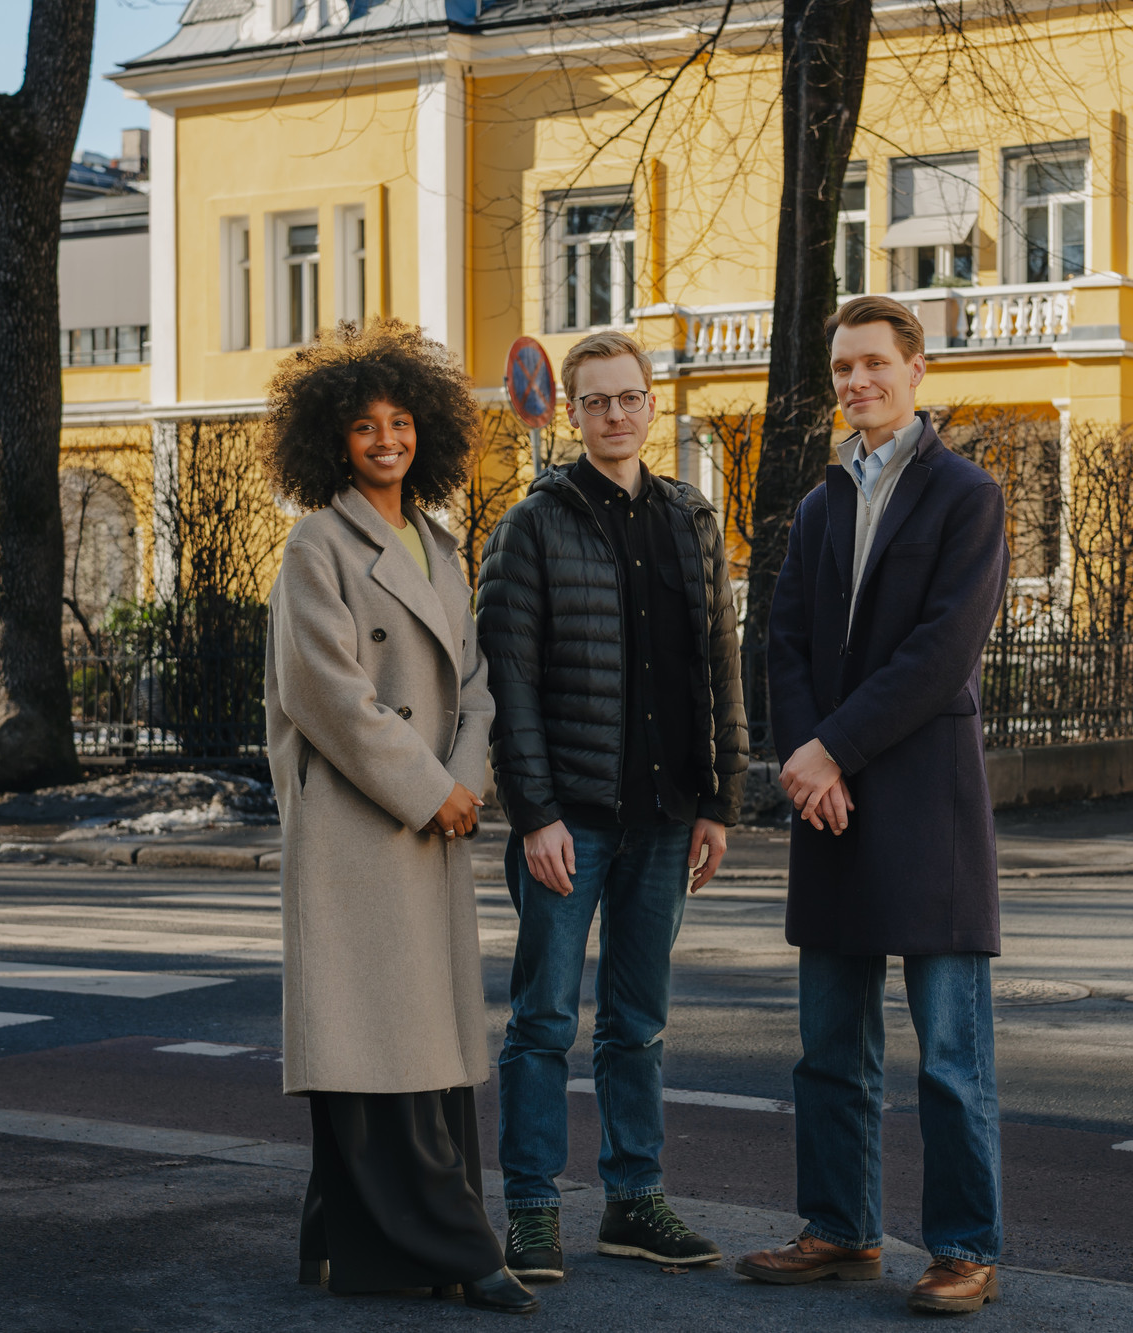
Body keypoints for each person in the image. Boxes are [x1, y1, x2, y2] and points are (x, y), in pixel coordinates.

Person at [736, 296, 1009, 1315]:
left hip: (927, 806)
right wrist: (810, 762)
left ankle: (963, 1247)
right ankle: (840, 1230)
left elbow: (939, 655)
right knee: (829, 1049)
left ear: (915, 370)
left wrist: (826, 749)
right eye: (843, 368)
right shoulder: (817, 506)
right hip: (831, 806)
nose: (856, 383)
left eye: (873, 365)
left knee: (948, 1056)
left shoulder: (963, 494)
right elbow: (786, 643)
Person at [261, 319, 537, 1315]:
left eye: (402, 420)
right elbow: (327, 693)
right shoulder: (315, 546)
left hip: (427, 823)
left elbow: (473, 681)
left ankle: (340, 1241)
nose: (387, 439)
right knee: (376, 1041)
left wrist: (463, 779)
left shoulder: (439, 539)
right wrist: (432, 789)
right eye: (364, 425)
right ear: (330, 440)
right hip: (359, 827)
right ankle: (457, 1248)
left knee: (412, 1044)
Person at [478, 329, 747, 1282]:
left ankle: (634, 1202)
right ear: (575, 411)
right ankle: (534, 1210)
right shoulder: (533, 524)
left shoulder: (692, 520)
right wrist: (534, 811)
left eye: (631, 397)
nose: (617, 415)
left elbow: (720, 665)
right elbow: (507, 683)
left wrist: (720, 796)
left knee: (639, 1022)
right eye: (597, 401)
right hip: (572, 821)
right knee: (544, 1020)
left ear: (651, 403)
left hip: (670, 814)